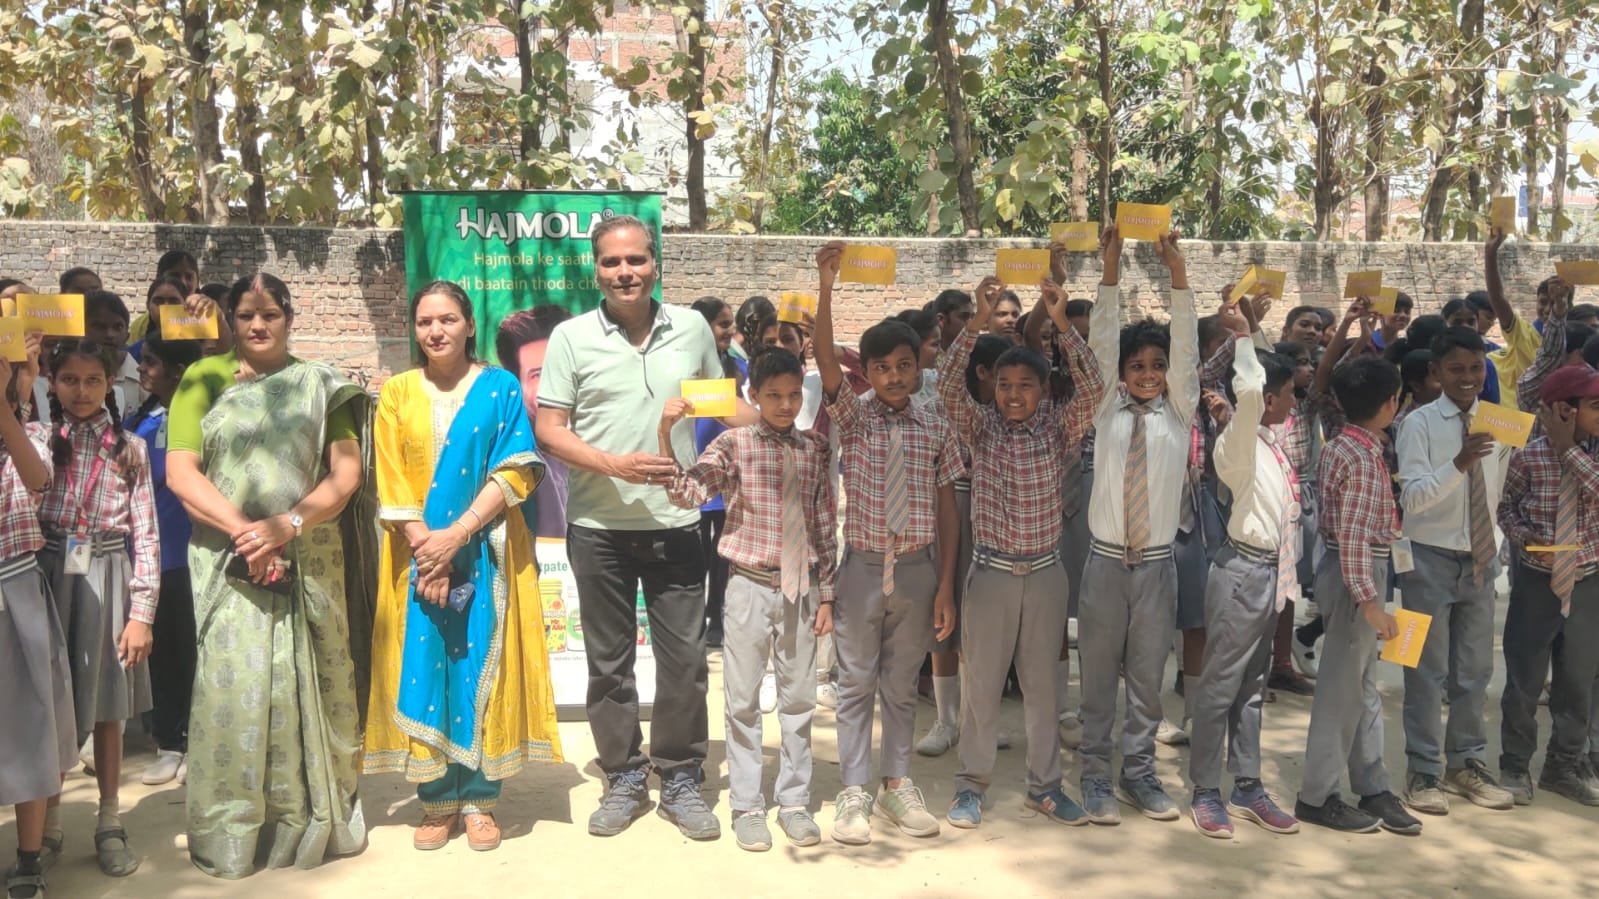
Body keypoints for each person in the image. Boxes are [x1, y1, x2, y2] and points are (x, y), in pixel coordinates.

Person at [534, 215, 753, 841]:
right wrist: (614, 465)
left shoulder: (691, 328)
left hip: (678, 522)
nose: (624, 272)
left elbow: (720, 406)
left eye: (636, 260)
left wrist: (783, 425)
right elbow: (550, 430)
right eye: (611, 262)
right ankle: (624, 776)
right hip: (597, 527)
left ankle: (681, 776)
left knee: (685, 662)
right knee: (609, 665)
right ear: (596, 269)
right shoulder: (571, 338)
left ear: (655, 262)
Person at [165, 273, 368, 878]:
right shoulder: (201, 378)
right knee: (233, 687)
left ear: (289, 317)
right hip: (230, 564)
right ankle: (232, 829)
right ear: (229, 319)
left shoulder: (322, 384)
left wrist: (288, 524)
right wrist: (247, 533)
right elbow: (181, 473)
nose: (258, 325)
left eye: (270, 314)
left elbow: (346, 473)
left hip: (306, 558)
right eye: (246, 315)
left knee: (311, 687)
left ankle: (310, 816)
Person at [365, 281, 562, 852]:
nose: (436, 331)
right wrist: (428, 551)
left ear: (469, 324)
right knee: (426, 665)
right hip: (416, 558)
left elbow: (517, 468)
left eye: (448, 319)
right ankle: (436, 800)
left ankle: (478, 799)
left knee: (480, 667)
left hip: (486, 552)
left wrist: (456, 536)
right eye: (425, 321)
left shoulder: (500, 388)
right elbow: (391, 481)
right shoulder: (397, 393)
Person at [813, 241, 962, 845]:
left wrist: (945, 584)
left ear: (919, 366)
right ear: (867, 373)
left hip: (920, 569)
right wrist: (827, 288)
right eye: (882, 368)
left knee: (901, 686)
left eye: (904, 365)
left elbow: (948, 508)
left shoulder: (936, 423)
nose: (894, 376)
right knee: (855, 683)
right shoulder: (854, 417)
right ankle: (854, 790)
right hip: (863, 569)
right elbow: (824, 357)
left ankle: (896, 784)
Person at [940, 275, 1102, 829]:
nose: (1013, 394)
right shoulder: (979, 427)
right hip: (991, 575)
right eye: (1004, 384)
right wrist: (978, 320)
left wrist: (1060, 323)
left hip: (1046, 574)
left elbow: (1094, 387)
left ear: (1043, 389)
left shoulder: (1059, 427)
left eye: (1025, 385)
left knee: (1043, 688)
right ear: (992, 388)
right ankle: (971, 785)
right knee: (982, 686)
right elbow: (948, 388)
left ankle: (1045, 787)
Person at [660, 346, 837, 852]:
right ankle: (746, 805)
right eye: (773, 396)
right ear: (753, 395)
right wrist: (667, 432)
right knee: (742, 700)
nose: (785, 405)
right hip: (748, 586)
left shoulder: (815, 449)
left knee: (799, 699)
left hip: (802, 587)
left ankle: (795, 801)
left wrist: (827, 595)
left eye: (793, 395)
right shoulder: (734, 444)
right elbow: (687, 493)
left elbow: (824, 525)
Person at [1076, 226, 1196, 825]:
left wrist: (1177, 272)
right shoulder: (1107, 409)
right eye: (1137, 365)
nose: (1148, 373)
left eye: (1158, 365)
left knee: (1148, 677)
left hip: (1155, 568)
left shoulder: (1179, 412)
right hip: (1104, 564)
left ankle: (1140, 773)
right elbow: (1100, 341)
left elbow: (1189, 347)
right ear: (1121, 372)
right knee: (1098, 677)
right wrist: (1112, 265)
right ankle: (1096, 774)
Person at [38, 338, 159, 878]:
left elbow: (147, 535)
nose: (81, 391)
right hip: (48, 574)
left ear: (111, 383)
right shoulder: (39, 439)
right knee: (50, 704)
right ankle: (48, 823)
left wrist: (142, 613)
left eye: (93, 380)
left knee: (110, 707)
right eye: (69, 380)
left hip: (109, 573)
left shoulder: (130, 448)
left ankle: (110, 820)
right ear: (52, 383)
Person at [1187, 294, 1302, 839]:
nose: (1295, 401)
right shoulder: (1238, 442)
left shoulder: (1268, 442)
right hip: (1243, 575)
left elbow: (1261, 380)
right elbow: (1252, 388)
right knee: (1219, 687)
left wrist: (1253, 329)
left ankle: (1247, 785)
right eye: (1290, 394)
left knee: (1251, 688)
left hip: (1270, 575)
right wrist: (1239, 336)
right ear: (1270, 399)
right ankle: (1205, 790)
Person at [1295, 356, 1422, 836]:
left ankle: (1372, 785)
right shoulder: (1363, 458)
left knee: (1363, 686)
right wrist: (1369, 601)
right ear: (1392, 403)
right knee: (1341, 691)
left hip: (1354, 569)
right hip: (1358, 572)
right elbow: (1352, 536)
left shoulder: (1343, 444)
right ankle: (1317, 796)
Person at [1393, 326, 1515, 815]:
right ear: (1436, 372)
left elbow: (1501, 488)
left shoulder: (1500, 421)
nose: (1468, 377)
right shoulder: (1418, 423)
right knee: (1422, 667)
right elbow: (1413, 497)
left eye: (1476, 368)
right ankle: (1423, 769)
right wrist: (1459, 463)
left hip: (1479, 559)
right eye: (1456, 369)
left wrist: (1495, 543)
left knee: (1475, 670)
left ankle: (1465, 763)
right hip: (1426, 559)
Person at [1497, 364, 1599, 806]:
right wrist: (1525, 539)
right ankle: (1515, 765)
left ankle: (1564, 766)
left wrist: (1568, 448)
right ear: (1564, 410)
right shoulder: (1528, 457)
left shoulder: (1592, 456)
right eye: (1595, 405)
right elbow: (1506, 508)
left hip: (1588, 580)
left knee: (1578, 680)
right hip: (1537, 582)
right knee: (1525, 678)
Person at [0, 342, 74, 899]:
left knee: (28, 724)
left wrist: (6, 404)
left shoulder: (31, 431)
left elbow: (37, 478)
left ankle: (28, 857)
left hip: (16, 584)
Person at [125, 334, 204, 787]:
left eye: (151, 362)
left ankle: (198, 742)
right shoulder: (142, 419)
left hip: (191, 553)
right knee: (161, 656)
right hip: (150, 558)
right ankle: (169, 743)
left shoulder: (204, 418)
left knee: (193, 653)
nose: (141, 368)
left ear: (177, 371)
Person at [689, 296, 747, 649]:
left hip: (728, 477)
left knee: (723, 555)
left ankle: (718, 619)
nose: (730, 331)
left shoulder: (738, 368)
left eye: (731, 323)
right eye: (723, 324)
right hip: (694, 476)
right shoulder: (682, 368)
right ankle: (693, 620)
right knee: (694, 556)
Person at [494, 304, 574, 540]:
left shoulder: (603, 434)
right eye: (537, 374)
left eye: (561, 367)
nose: (554, 381)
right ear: (518, 385)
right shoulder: (525, 458)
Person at [129, 250, 202, 344]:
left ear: (197, 281)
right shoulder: (140, 326)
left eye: (189, 277)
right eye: (174, 276)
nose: (182, 282)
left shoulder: (207, 320)